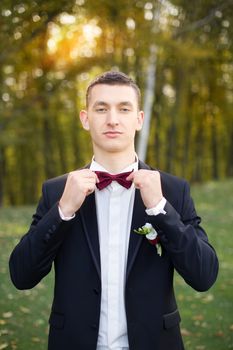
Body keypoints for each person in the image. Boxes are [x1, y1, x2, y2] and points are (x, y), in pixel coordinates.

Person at [9, 71, 218, 350]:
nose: (112, 119)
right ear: (85, 119)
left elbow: (204, 276)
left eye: (124, 108)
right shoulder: (57, 191)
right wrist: (62, 211)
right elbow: (22, 276)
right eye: (101, 108)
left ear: (139, 119)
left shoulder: (172, 190)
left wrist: (160, 209)